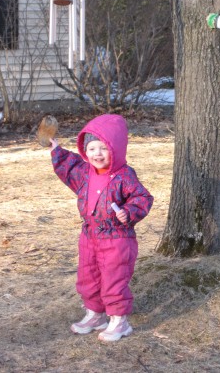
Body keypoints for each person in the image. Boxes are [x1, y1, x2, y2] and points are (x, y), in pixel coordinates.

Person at [49, 114, 153, 342]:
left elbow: (142, 198)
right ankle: (95, 315)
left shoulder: (124, 175)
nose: (97, 154)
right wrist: (56, 149)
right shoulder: (84, 173)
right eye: (92, 148)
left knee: (113, 278)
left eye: (103, 148)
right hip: (89, 235)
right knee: (89, 276)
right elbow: (69, 166)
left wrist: (129, 212)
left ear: (115, 149)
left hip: (116, 238)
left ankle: (119, 321)